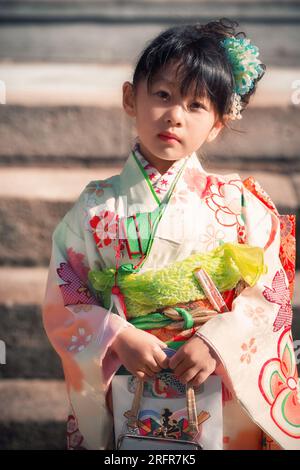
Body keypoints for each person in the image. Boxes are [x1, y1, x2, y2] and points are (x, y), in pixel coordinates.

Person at [42, 18, 299, 450]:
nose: (175, 116)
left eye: (196, 105)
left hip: (221, 377)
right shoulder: (94, 207)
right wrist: (117, 336)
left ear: (217, 123)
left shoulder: (240, 203)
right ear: (130, 97)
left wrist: (218, 341)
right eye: (162, 95)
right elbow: (65, 294)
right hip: (130, 371)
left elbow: (267, 294)